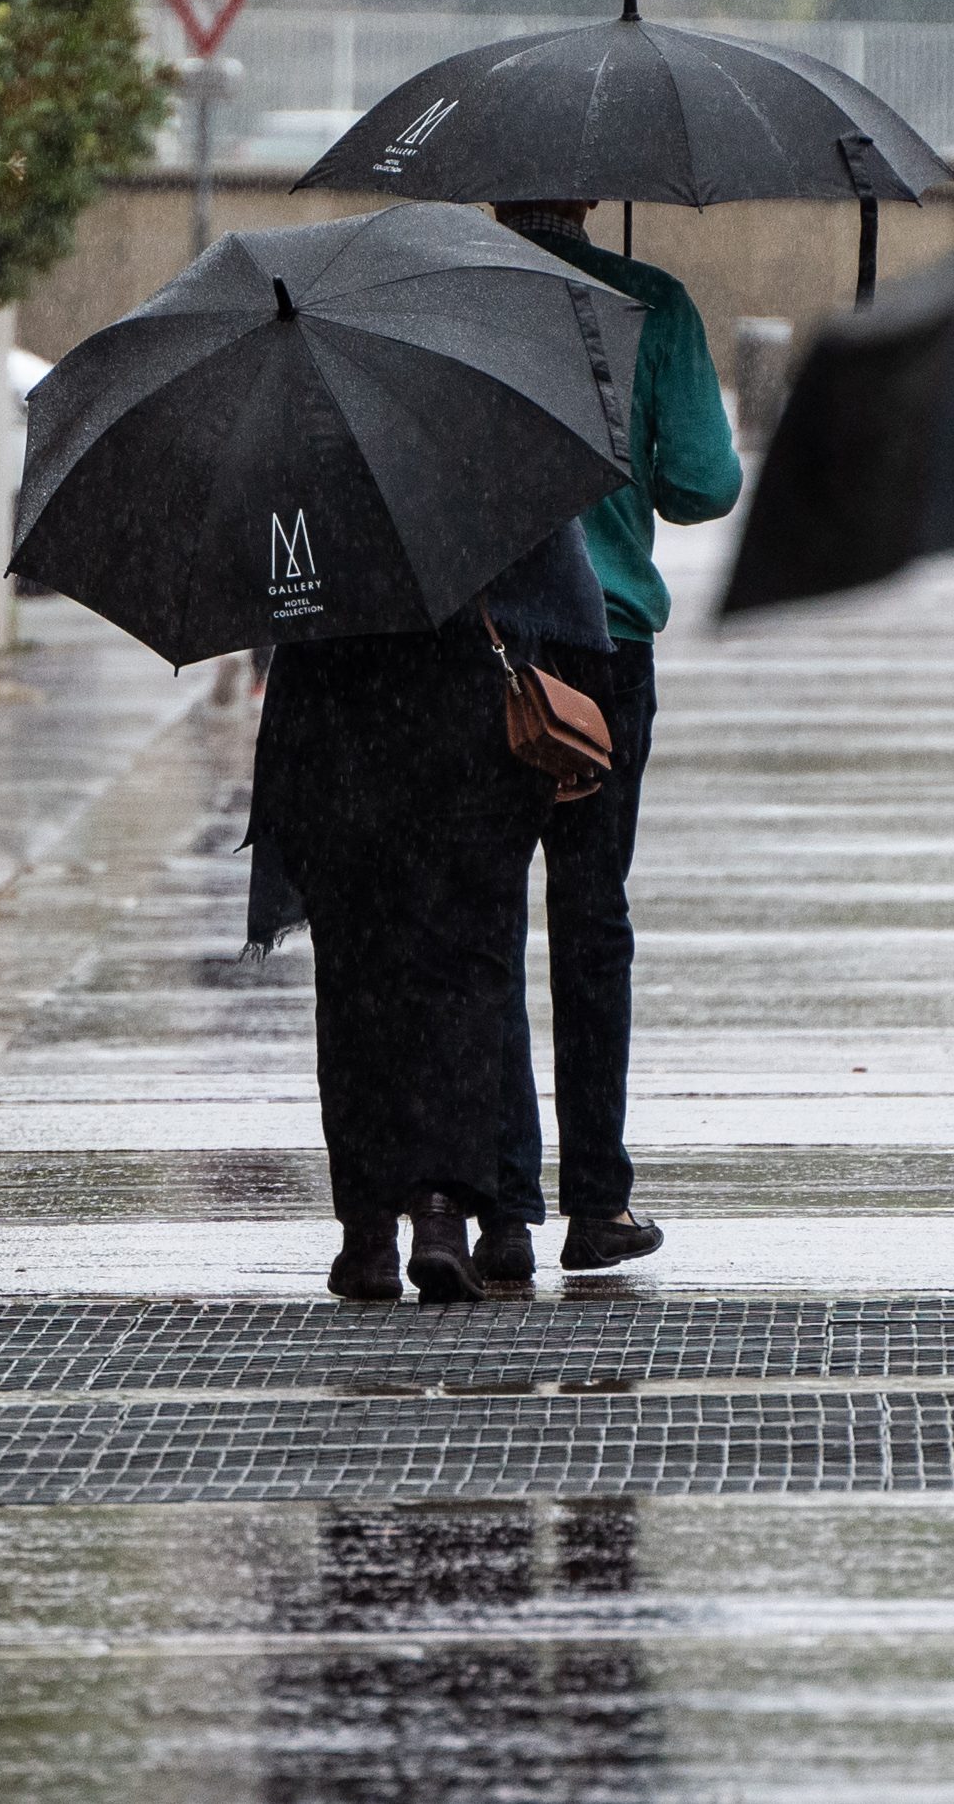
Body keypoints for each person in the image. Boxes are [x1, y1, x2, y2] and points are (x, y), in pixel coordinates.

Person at [467, 199, 745, 1286]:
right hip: (603, 653)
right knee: (591, 922)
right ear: (590, 192)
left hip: (480, 651)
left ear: (491, 197)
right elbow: (705, 484)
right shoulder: (650, 305)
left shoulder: (459, 298)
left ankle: (498, 1202)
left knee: (484, 917)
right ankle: (599, 1200)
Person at [253, 521, 610, 1304]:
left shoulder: (297, 465)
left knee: (355, 988)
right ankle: (443, 1216)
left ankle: (368, 1235)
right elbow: (576, 613)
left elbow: (269, 603)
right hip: (462, 729)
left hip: (335, 730)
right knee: (465, 976)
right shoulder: (486, 442)